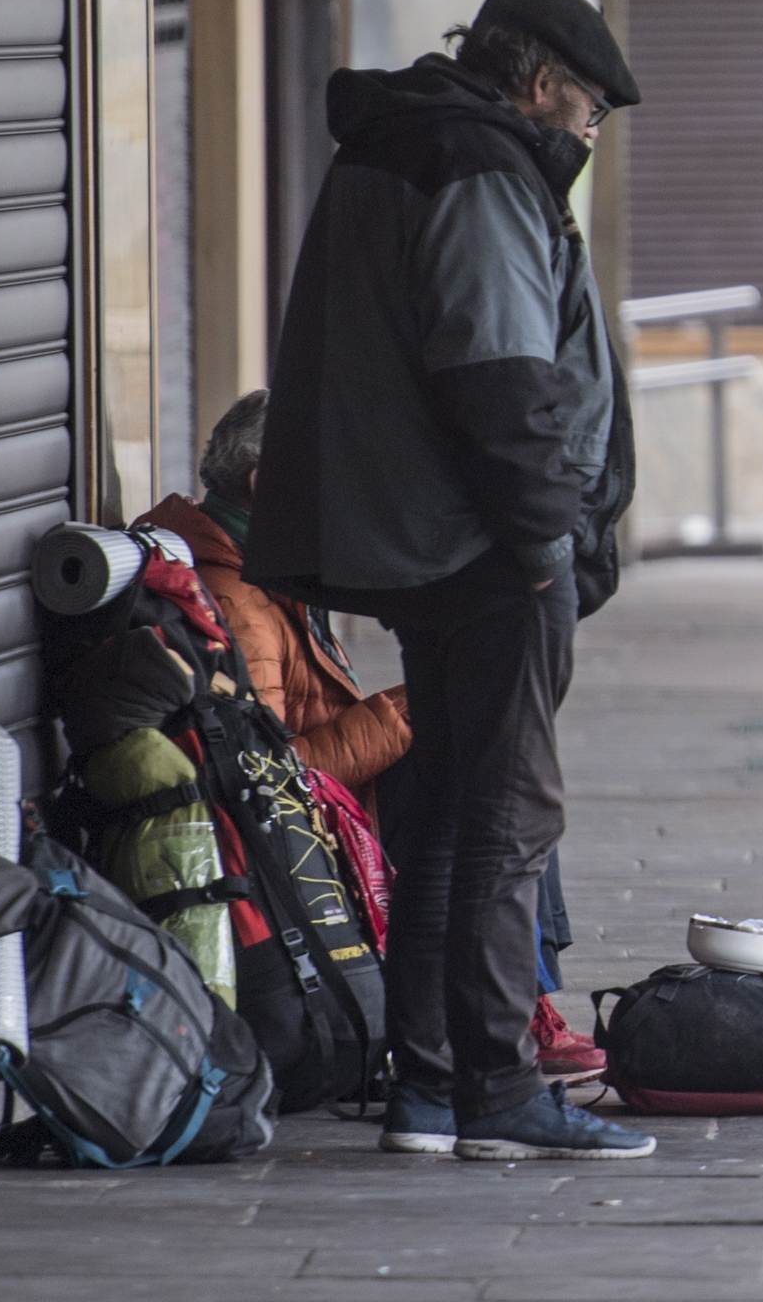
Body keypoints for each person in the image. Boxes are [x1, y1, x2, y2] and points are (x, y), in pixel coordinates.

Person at [249, 0, 647, 1163]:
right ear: (536, 85)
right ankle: (498, 1089)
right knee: (510, 815)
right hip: (483, 547)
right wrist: (543, 546)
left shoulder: (405, 142)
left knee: (450, 808)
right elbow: (499, 375)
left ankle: (428, 1087)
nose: (584, 141)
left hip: (428, 538)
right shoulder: (476, 166)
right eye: (586, 116)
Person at [140, 390, 608, 1086]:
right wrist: (399, 717)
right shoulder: (239, 596)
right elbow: (261, 776)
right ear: (268, 484)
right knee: (495, 775)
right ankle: (519, 1008)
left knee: (500, 756)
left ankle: (523, 997)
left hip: (333, 805)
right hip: (307, 837)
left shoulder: (261, 563)